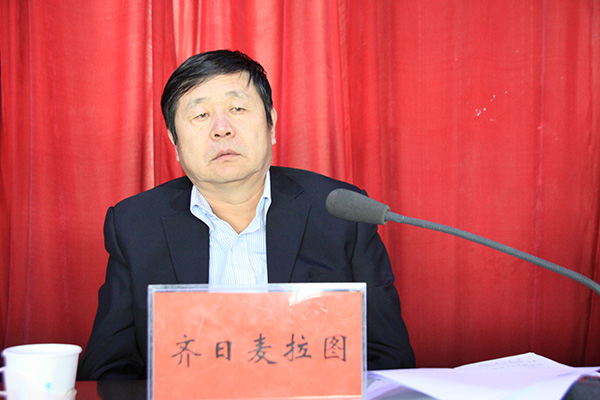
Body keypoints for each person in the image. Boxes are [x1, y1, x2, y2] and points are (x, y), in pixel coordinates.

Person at [78, 49, 415, 380]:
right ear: (174, 142)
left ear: (271, 125)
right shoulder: (136, 226)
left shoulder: (341, 213)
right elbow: (108, 371)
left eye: (237, 108)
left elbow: (389, 358)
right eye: (200, 115)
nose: (221, 129)